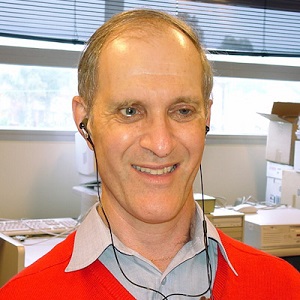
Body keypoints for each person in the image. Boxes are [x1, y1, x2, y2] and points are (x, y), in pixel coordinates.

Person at [0, 9, 299, 300]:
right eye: (129, 111)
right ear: (85, 120)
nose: (161, 144)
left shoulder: (285, 287)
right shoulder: (25, 294)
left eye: (182, 111)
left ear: (206, 117)